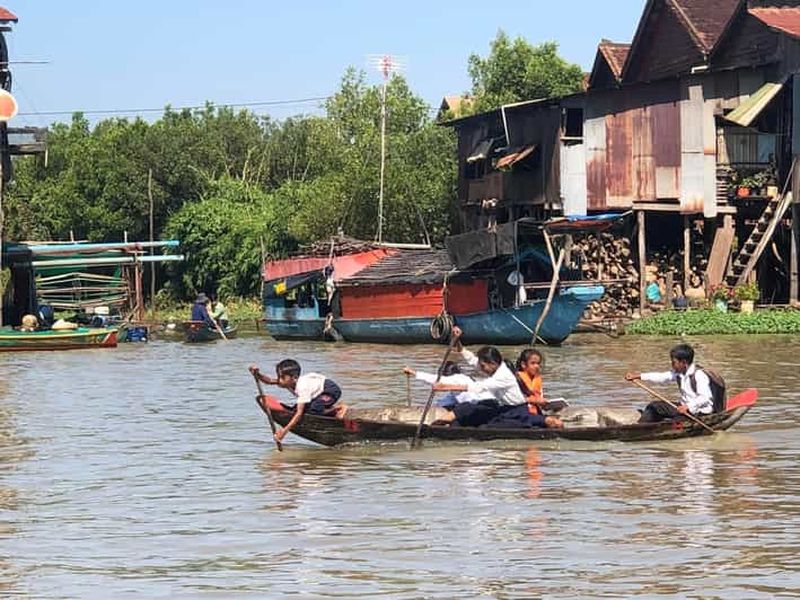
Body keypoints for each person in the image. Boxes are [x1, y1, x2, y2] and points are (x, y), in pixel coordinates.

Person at [428, 326, 527, 427]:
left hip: (516, 412)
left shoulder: (503, 376)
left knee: (484, 426)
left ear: (492, 363)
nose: (481, 368)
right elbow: (470, 358)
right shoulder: (494, 366)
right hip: (502, 408)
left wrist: (444, 387)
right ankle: (444, 424)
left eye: (483, 366)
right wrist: (457, 340)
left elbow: (477, 387)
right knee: (463, 414)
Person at [249, 359, 344, 443]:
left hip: (330, 390)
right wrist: (257, 373)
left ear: (294, 378)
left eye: (282, 377)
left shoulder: (302, 387)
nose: (279, 381)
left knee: (313, 410)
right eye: (279, 377)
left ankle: (337, 409)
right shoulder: (288, 382)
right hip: (316, 393)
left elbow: (299, 413)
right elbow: (269, 381)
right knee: (299, 409)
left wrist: (283, 432)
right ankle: (327, 411)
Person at [625, 343, 713, 423]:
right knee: (654, 406)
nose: (672, 365)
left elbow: (705, 397)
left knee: (672, 423)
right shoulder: (679, 372)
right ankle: (640, 425)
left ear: (684, 363)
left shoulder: (699, 375)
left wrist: (688, 407)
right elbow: (661, 377)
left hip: (699, 412)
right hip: (683, 407)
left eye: (674, 362)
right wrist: (638, 376)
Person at [483, 348, 563, 429]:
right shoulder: (516, 379)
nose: (537, 366)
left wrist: (551, 407)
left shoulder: (537, 379)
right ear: (523, 365)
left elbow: (539, 403)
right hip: (521, 414)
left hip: (535, 414)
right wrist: (534, 400)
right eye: (533, 363)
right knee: (556, 423)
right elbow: (514, 400)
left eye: (538, 363)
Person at [402, 361, 493, 409]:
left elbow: (435, 379)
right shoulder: (455, 391)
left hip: (485, 404)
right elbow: (443, 402)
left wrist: (413, 372)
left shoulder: (458, 378)